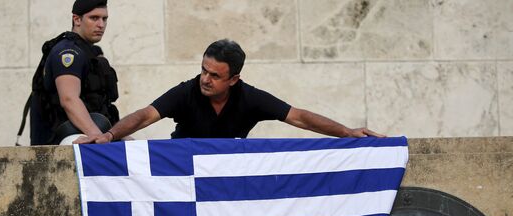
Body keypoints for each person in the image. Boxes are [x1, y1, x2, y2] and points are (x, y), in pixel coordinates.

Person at [75, 39, 384, 144]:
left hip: (226, 177)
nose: (205, 79)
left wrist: (346, 132)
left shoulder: (249, 97)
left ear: (233, 79)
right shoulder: (187, 92)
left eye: (215, 75)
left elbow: (299, 117)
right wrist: (109, 136)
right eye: (203, 70)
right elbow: (145, 115)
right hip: (185, 174)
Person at [29, 0, 120, 145]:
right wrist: (97, 135)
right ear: (77, 19)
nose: (101, 25)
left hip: (89, 133)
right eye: (94, 18)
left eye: (104, 19)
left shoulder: (88, 53)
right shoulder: (69, 52)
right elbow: (69, 99)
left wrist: (118, 135)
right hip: (66, 140)